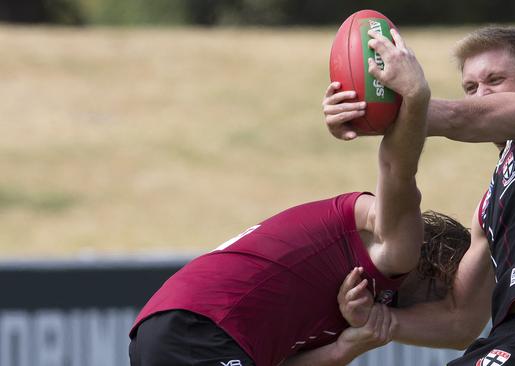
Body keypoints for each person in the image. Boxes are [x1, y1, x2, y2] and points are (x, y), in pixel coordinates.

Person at [128, 29, 472, 366]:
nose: (430, 319)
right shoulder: (397, 253)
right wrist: (414, 94)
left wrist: (346, 349)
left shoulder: (353, 296)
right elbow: (398, 171)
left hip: (174, 328)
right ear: (437, 274)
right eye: (442, 303)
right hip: (199, 327)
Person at [325, 26, 515, 365]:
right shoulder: (489, 206)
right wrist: (377, 317)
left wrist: (369, 108)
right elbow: (459, 319)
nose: (480, 96)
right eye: (470, 87)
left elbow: (461, 118)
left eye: (494, 80)